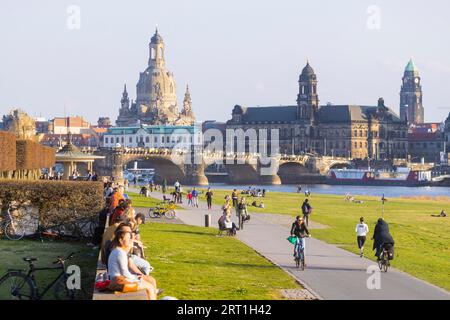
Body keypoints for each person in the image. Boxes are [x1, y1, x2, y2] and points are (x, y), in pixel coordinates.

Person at [107, 227, 158, 300]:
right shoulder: (120, 253)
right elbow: (124, 273)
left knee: (150, 281)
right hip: (119, 283)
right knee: (149, 286)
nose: (131, 240)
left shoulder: (118, 250)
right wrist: (136, 278)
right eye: (128, 238)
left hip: (119, 281)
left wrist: (136, 277)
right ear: (121, 240)